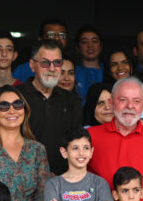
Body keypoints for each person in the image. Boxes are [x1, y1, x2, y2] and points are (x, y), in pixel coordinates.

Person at [16, 40, 82, 175]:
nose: (52, 68)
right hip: (22, 177)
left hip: (61, 179)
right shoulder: (16, 97)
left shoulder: (71, 100)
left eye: (57, 63)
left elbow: (75, 143)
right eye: (45, 63)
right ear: (32, 65)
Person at [13, 18, 69, 82]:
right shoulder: (23, 70)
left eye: (62, 35)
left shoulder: (76, 70)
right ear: (40, 39)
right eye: (51, 35)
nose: (57, 38)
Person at [74, 25, 103, 100]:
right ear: (77, 47)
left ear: (101, 46)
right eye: (84, 42)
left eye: (94, 41)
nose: (90, 45)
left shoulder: (110, 71)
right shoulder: (72, 72)